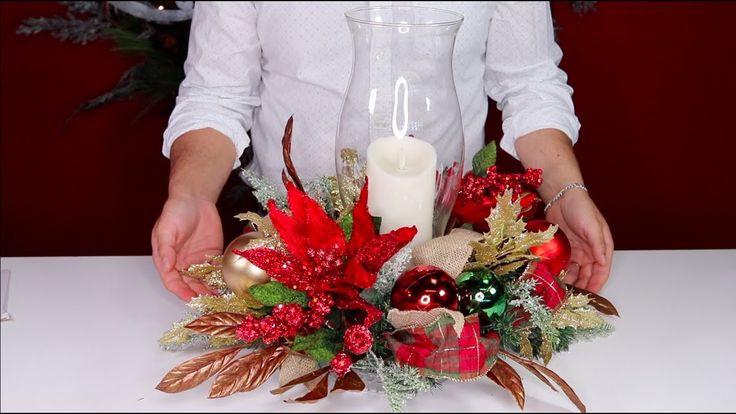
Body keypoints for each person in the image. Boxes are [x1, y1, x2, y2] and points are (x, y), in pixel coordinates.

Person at [151, 1, 614, 301]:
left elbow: (529, 82)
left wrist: (564, 190)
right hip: (289, 264)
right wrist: (191, 195)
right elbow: (216, 94)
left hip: (447, 266)